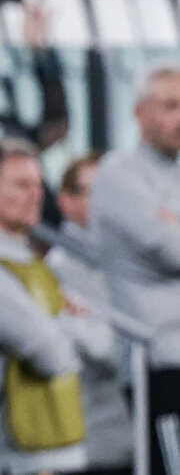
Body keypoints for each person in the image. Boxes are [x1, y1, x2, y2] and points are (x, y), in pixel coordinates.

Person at [0, 138, 86, 474]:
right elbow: (57, 356)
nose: (35, 194)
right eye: (22, 185)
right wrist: (73, 325)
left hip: (53, 450)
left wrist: (60, 327)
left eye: (38, 184)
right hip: (16, 458)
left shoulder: (30, 263)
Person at [90, 61, 180, 475]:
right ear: (139, 113)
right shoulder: (118, 174)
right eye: (170, 106)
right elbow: (171, 250)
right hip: (157, 362)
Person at [45, 153, 133, 475]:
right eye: (94, 192)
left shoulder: (128, 260)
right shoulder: (56, 271)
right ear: (65, 201)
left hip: (134, 437)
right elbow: (107, 351)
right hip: (93, 448)